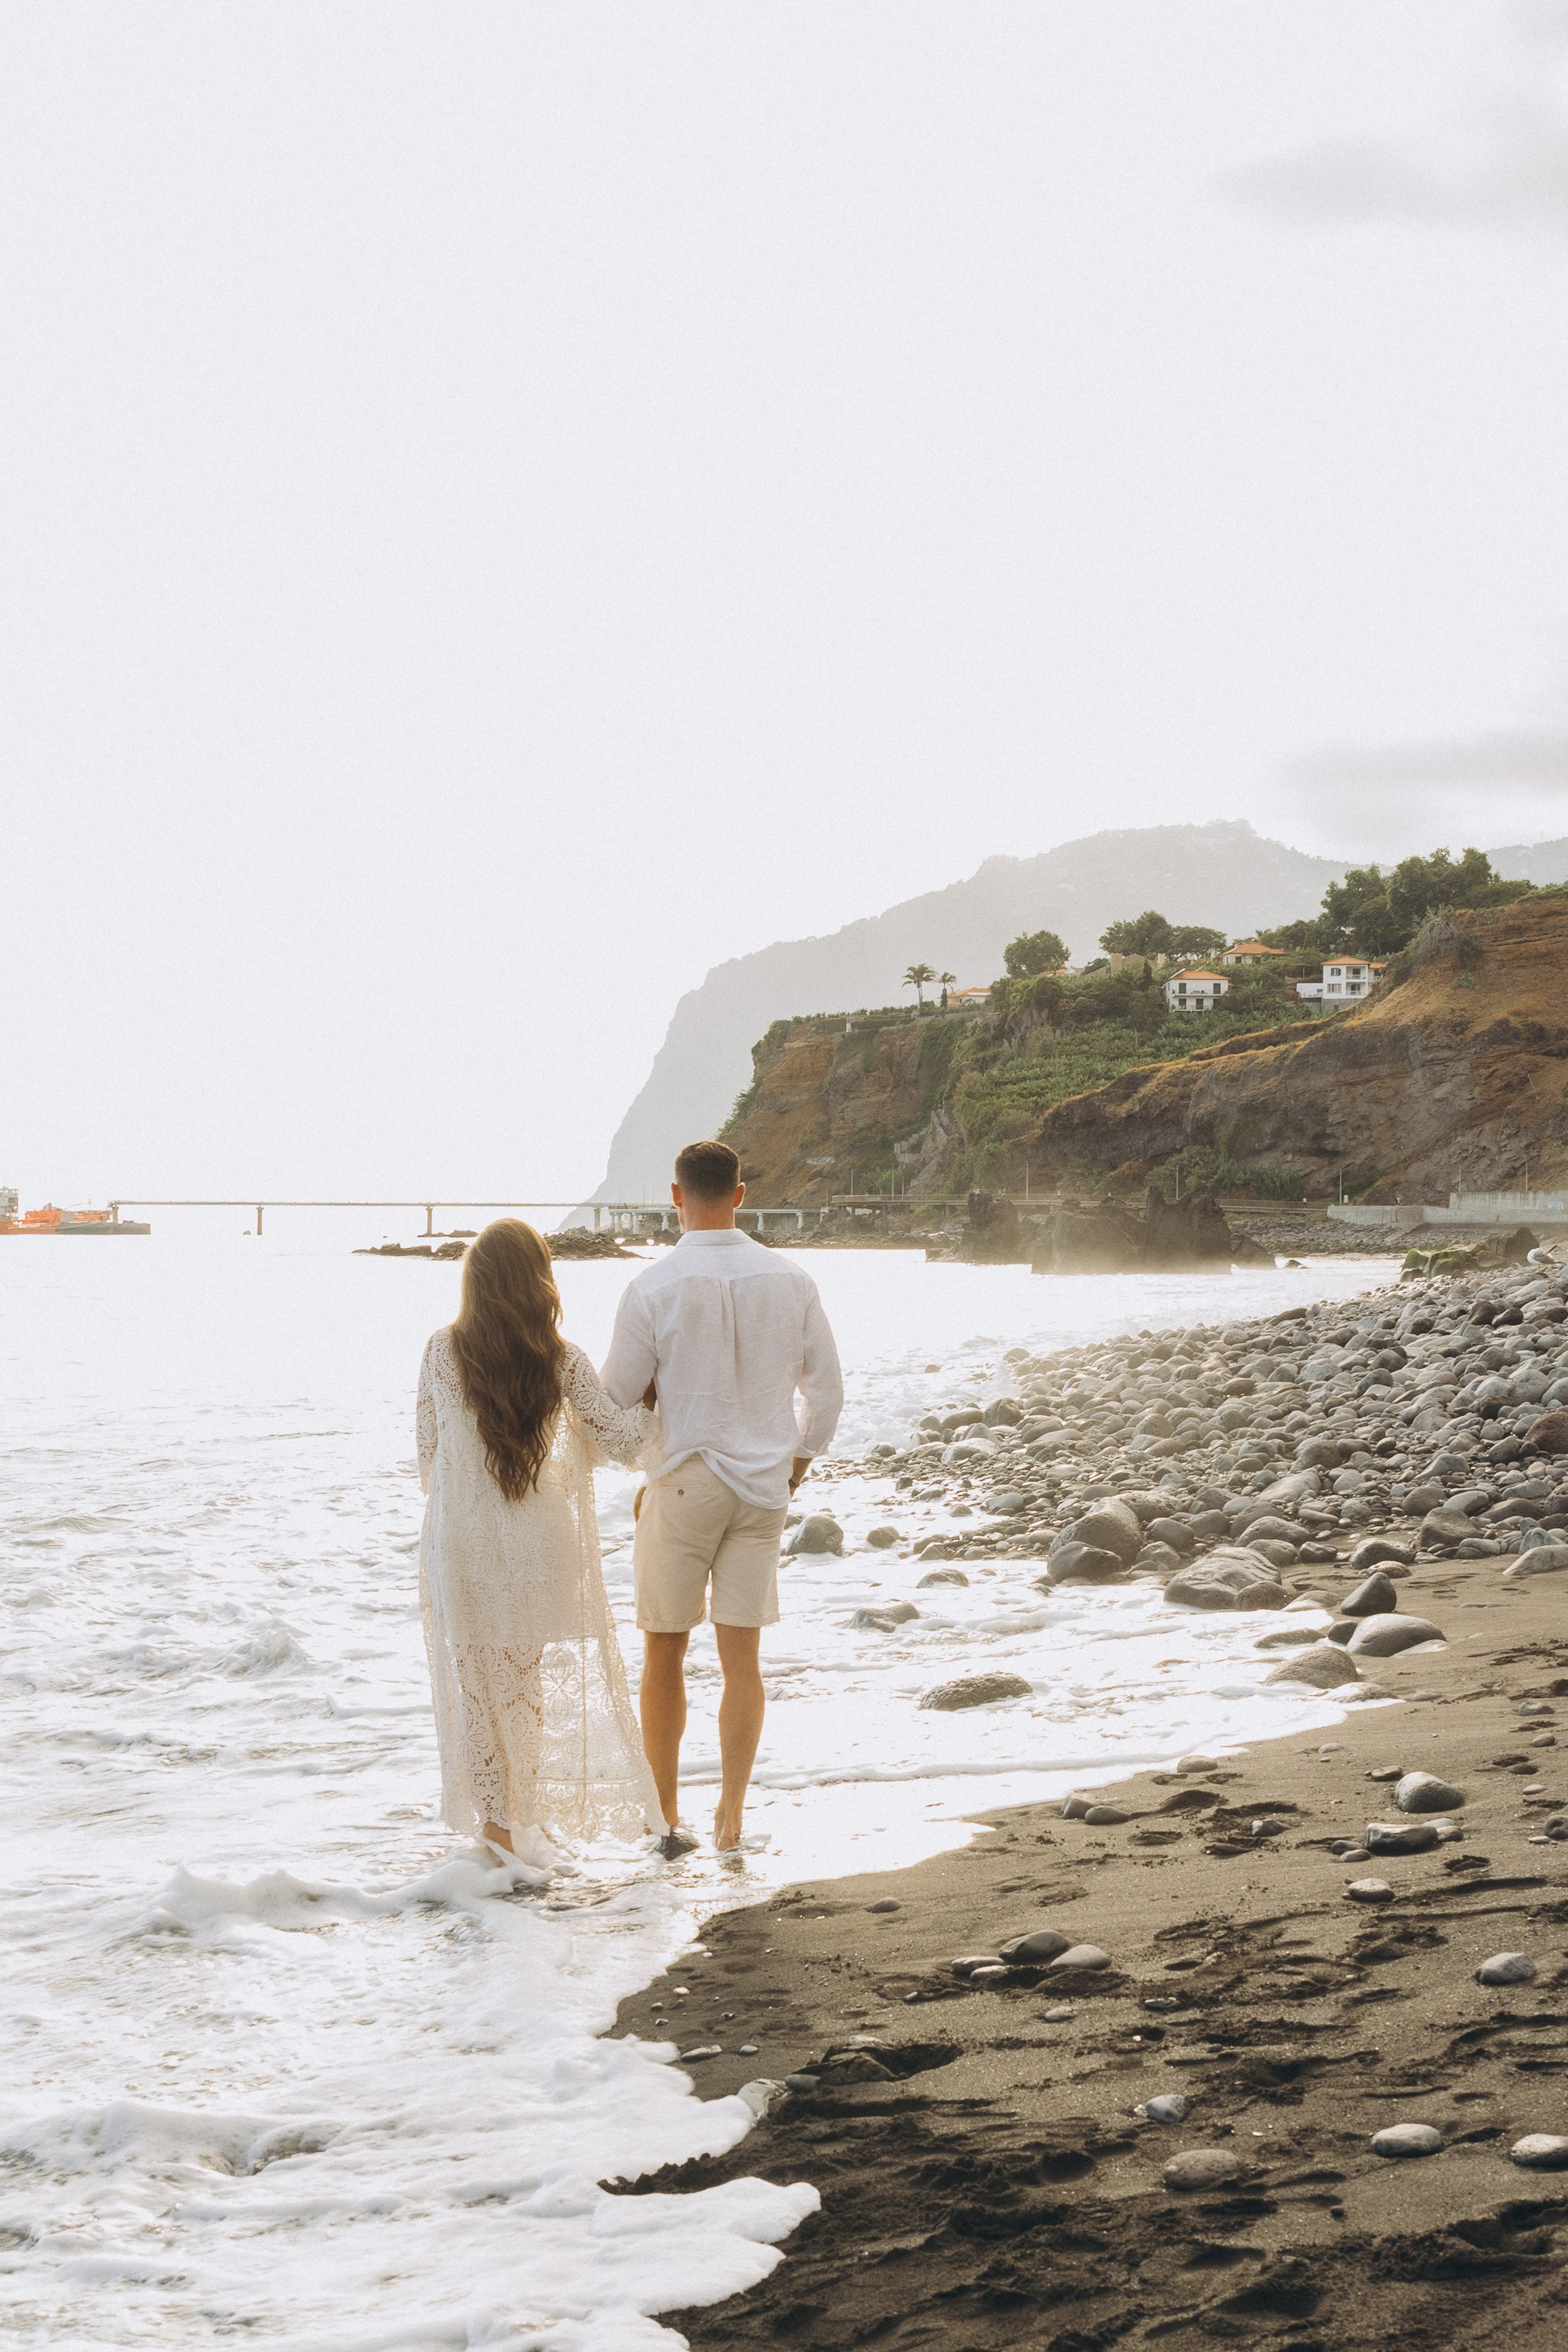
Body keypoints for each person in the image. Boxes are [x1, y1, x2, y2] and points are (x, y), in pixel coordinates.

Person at [601, 1139, 843, 1855]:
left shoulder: (653, 1286)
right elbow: (826, 1395)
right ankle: (731, 1815)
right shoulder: (792, 1279)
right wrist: (797, 1464)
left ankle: (666, 1817)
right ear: (741, 1194)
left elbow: (612, 1398)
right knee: (743, 1659)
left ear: (676, 1196)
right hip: (764, 1487)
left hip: (684, 1481)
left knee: (665, 1652)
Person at [416, 1218, 660, 1864]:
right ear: (539, 1282)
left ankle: (498, 1828)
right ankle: (520, 1817)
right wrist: (660, 1396)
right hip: (538, 1543)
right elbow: (622, 1439)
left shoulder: (442, 1351)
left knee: (477, 1689)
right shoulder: (563, 1357)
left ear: (476, 1282)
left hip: (464, 1542)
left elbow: (427, 1455)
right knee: (522, 1684)